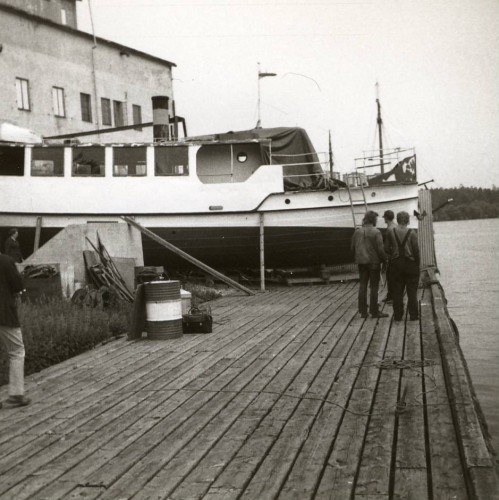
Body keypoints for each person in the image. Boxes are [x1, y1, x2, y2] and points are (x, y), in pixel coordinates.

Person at [0, 251, 31, 407]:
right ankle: (16, 395)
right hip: (4, 314)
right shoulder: (6, 261)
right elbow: (17, 285)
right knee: (17, 351)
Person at [351, 210, 389, 319]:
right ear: (373, 220)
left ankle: (363, 311)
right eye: (376, 219)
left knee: (362, 285)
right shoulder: (376, 232)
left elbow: (352, 248)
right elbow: (381, 250)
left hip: (361, 262)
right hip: (373, 263)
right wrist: (385, 260)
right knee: (374, 286)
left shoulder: (357, 232)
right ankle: (374, 311)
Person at [386, 211, 420, 321]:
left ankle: (398, 315)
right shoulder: (412, 233)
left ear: (397, 219)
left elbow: (386, 248)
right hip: (410, 264)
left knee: (397, 291)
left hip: (396, 265)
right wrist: (417, 264)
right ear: (407, 220)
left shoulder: (391, 232)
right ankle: (414, 315)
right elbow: (416, 251)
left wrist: (392, 255)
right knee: (412, 292)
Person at [382, 210, 397, 303]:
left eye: (384, 217)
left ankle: (391, 296)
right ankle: (394, 295)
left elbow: (386, 246)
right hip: (399, 254)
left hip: (391, 255)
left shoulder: (389, 229)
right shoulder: (396, 226)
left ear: (386, 218)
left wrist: (385, 256)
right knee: (396, 276)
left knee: (390, 276)